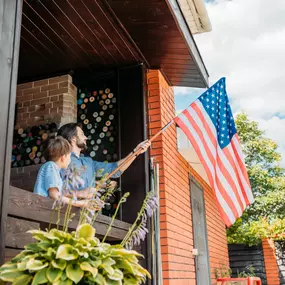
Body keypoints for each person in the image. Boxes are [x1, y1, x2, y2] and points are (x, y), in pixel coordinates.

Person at [57, 123, 151, 193]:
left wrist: (135, 152)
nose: (86, 137)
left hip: (86, 213)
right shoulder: (61, 159)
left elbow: (115, 169)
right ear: (73, 138)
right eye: (82, 134)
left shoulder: (88, 162)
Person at [33, 136, 93, 207]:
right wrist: (81, 203)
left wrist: (82, 193)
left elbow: (59, 193)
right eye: (69, 156)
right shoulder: (51, 166)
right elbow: (55, 195)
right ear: (63, 157)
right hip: (41, 208)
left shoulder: (53, 169)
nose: (70, 159)